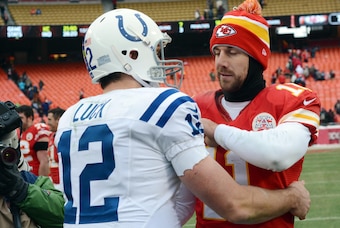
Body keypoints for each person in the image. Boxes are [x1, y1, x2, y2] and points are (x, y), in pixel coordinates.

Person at [55, 8, 310, 228]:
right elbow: (234, 205)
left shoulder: (70, 117)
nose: (159, 59)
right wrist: (292, 198)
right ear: (131, 54)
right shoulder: (163, 104)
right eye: (154, 50)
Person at [193, 0, 320, 227]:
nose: (221, 62)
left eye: (232, 52)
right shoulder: (196, 106)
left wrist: (216, 130)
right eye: (217, 52)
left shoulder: (292, 100)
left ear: (255, 58)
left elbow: (276, 155)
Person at [0, 101, 64, 227]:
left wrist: (21, 190)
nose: (49, 121)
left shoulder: (26, 179)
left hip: (28, 176)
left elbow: (60, 214)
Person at [16, 105, 51, 176]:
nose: (18, 121)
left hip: (36, 177)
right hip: (25, 177)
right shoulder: (20, 134)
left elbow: (44, 160)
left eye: (21, 118)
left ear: (29, 118)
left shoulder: (37, 130)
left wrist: (41, 183)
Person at [47, 107, 65, 189]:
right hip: (53, 180)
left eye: (50, 120)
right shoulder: (52, 135)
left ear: (58, 120)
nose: (48, 123)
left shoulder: (63, 136)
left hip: (62, 181)